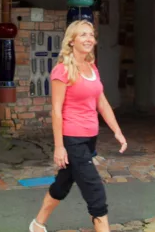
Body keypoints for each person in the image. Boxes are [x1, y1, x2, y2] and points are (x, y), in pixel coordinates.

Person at [29, 19, 127, 232]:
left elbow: (102, 102)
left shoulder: (92, 68)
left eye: (91, 34)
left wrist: (117, 131)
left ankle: (37, 224)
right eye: (82, 34)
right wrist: (59, 146)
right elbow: (56, 110)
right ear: (71, 41)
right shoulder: (62, 70)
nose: (88, 39)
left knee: (62, 184)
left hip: (90, 137)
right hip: (71, 139)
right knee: (95, 192)